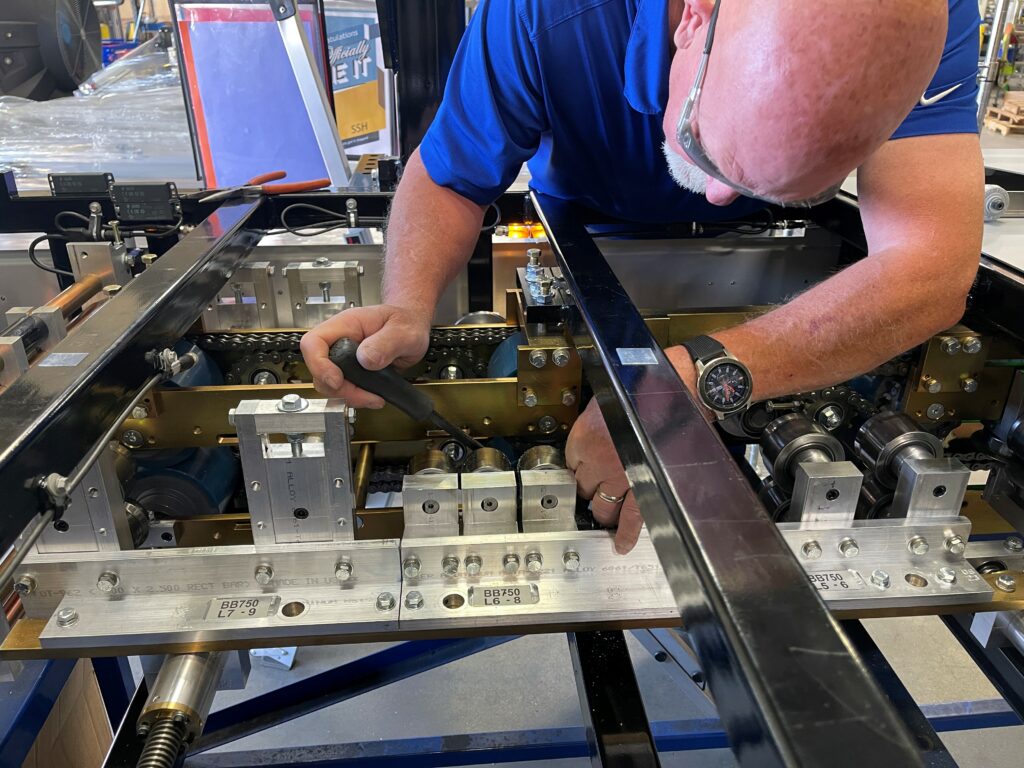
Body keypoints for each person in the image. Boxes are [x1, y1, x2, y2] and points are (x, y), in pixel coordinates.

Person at [302, 0, 984, 553]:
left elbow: (931, 268)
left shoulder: (919, 14)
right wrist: (409, 302)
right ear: (694, 17)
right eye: (708, 149)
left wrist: (689, 383)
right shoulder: (541, 16)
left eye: (790, 186)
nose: (719, 197)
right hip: (591, 234)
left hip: (775, 286)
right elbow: (450, 175)